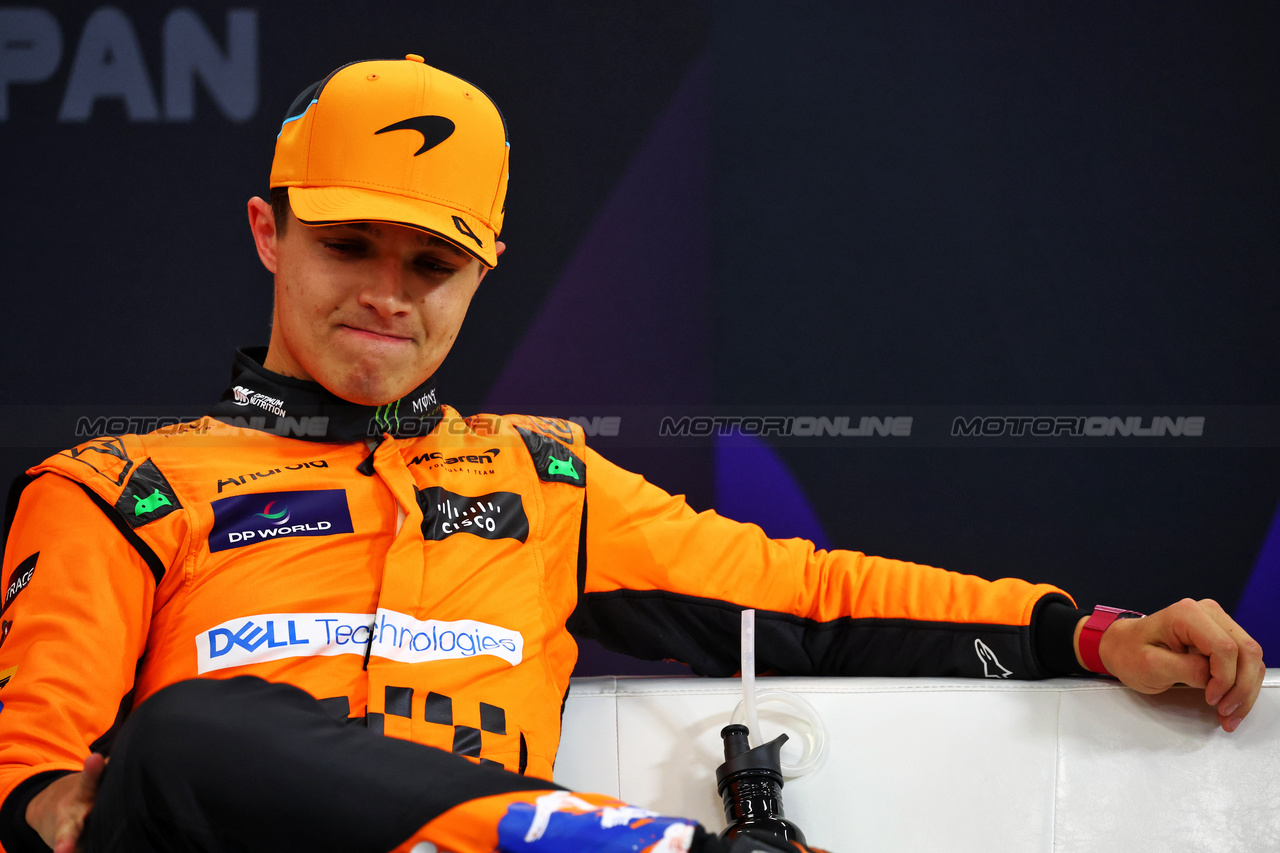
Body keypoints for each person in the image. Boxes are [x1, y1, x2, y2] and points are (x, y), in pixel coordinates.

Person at [0, 55, 1265, 853]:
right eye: (350, 247)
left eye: (432, 263)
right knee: (190, 734)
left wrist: (1090, 634)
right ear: (269, 234)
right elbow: (39, 789)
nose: (390, 295)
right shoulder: (119, 490)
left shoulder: (544, 486)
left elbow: (816, 599)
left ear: (482, 276)